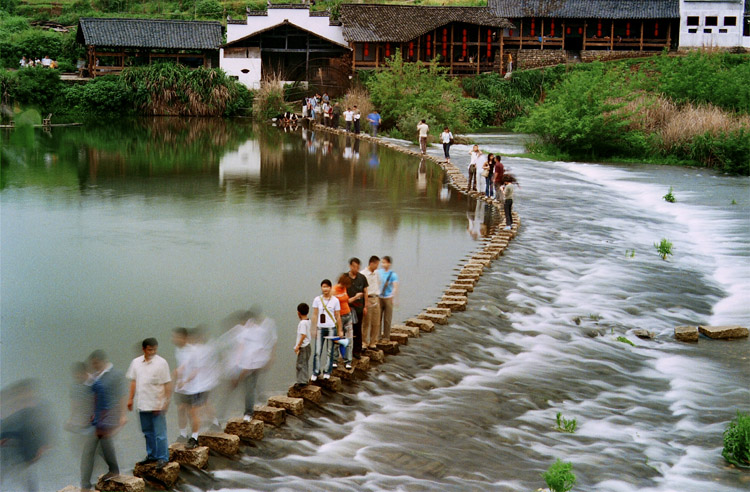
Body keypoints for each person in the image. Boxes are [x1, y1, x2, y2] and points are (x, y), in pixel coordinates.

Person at [81, 350, 126, 490]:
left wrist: (123, 415)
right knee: (97, 448)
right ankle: (86, 483)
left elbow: (122, 395)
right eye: (92, 363)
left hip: (110, 417)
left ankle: (113, 471)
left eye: (95, 363)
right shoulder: (95, 377)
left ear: (102, 361)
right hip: (98, 419)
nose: (94, 366)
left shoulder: (115, 375)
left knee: (96, 448)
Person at [126, 338, 172, 468]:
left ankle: (163, 458)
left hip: (157, 403)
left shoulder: (161, 363)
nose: (153, 352)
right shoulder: (136, 363)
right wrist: (130, 399)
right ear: (144, 349)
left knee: (160, 434)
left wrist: (165, 402)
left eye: (155, 349)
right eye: (150, 349)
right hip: (142, 403)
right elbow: (133, 381)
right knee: (147, 432)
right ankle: (152, 455)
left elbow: (167, 383)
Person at [310, 279, 343, 380]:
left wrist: (340, 330)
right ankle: (315, 372)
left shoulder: (335, 300)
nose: (325, 289)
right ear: (321, 288)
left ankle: (327, 371)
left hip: (331, 328)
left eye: (327, 287)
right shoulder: (317, 300)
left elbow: (338, 316)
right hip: (320, 328)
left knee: (330, 351)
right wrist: (313, 328)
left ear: (330, 288)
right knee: (317, 351)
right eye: (323, 287)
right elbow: (315, 315)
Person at [345, 258, 368, 359]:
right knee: (347, 330)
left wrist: (365, 306)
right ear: (350, 266)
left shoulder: (362, 278)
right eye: (354, 267)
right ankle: (346, 351)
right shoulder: (345, 277)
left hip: (359, 308)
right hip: (347, 308)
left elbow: (366, 292)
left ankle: (357, 350)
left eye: (358, 267)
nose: (356, 269)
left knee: (358, 329)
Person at [332, 274, 354, 370]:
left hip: (348, 315)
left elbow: (347, 300)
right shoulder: (334, 290)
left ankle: (348, 361)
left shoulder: (344, 289)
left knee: (348, 339)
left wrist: (356, 297)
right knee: (337, 339)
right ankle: (335, 360)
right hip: (338, 317)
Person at [378, 256, 399, 344]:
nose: (383, 264)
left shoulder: (393, 275)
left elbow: (395, 287)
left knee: (387, 319)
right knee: (377, 318)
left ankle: (386, 337)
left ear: (389, 263)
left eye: (385, 262)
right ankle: (377, 336)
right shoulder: (379, 272)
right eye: (382, 262)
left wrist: (393, 297)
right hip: (379, 297)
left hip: (388, 298)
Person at [362, 255, 381, 349]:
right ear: (371, 263)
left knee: (376, 322)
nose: (377, 266)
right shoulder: (363, 274)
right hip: (367, 298)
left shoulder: (377, 273)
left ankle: (373, 343)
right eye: (377, 264)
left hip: (376, 298)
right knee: (366, 322)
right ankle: (364, 343)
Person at [293, 303, 312, 386]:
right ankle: (304, 379)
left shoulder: (302, 323)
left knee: (300, 364)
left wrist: (298, 346)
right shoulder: (309, 321)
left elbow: (303, 335)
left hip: (303, 346)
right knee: (305, 363)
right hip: (308, 346)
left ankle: (302, 382)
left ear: (298, 313)